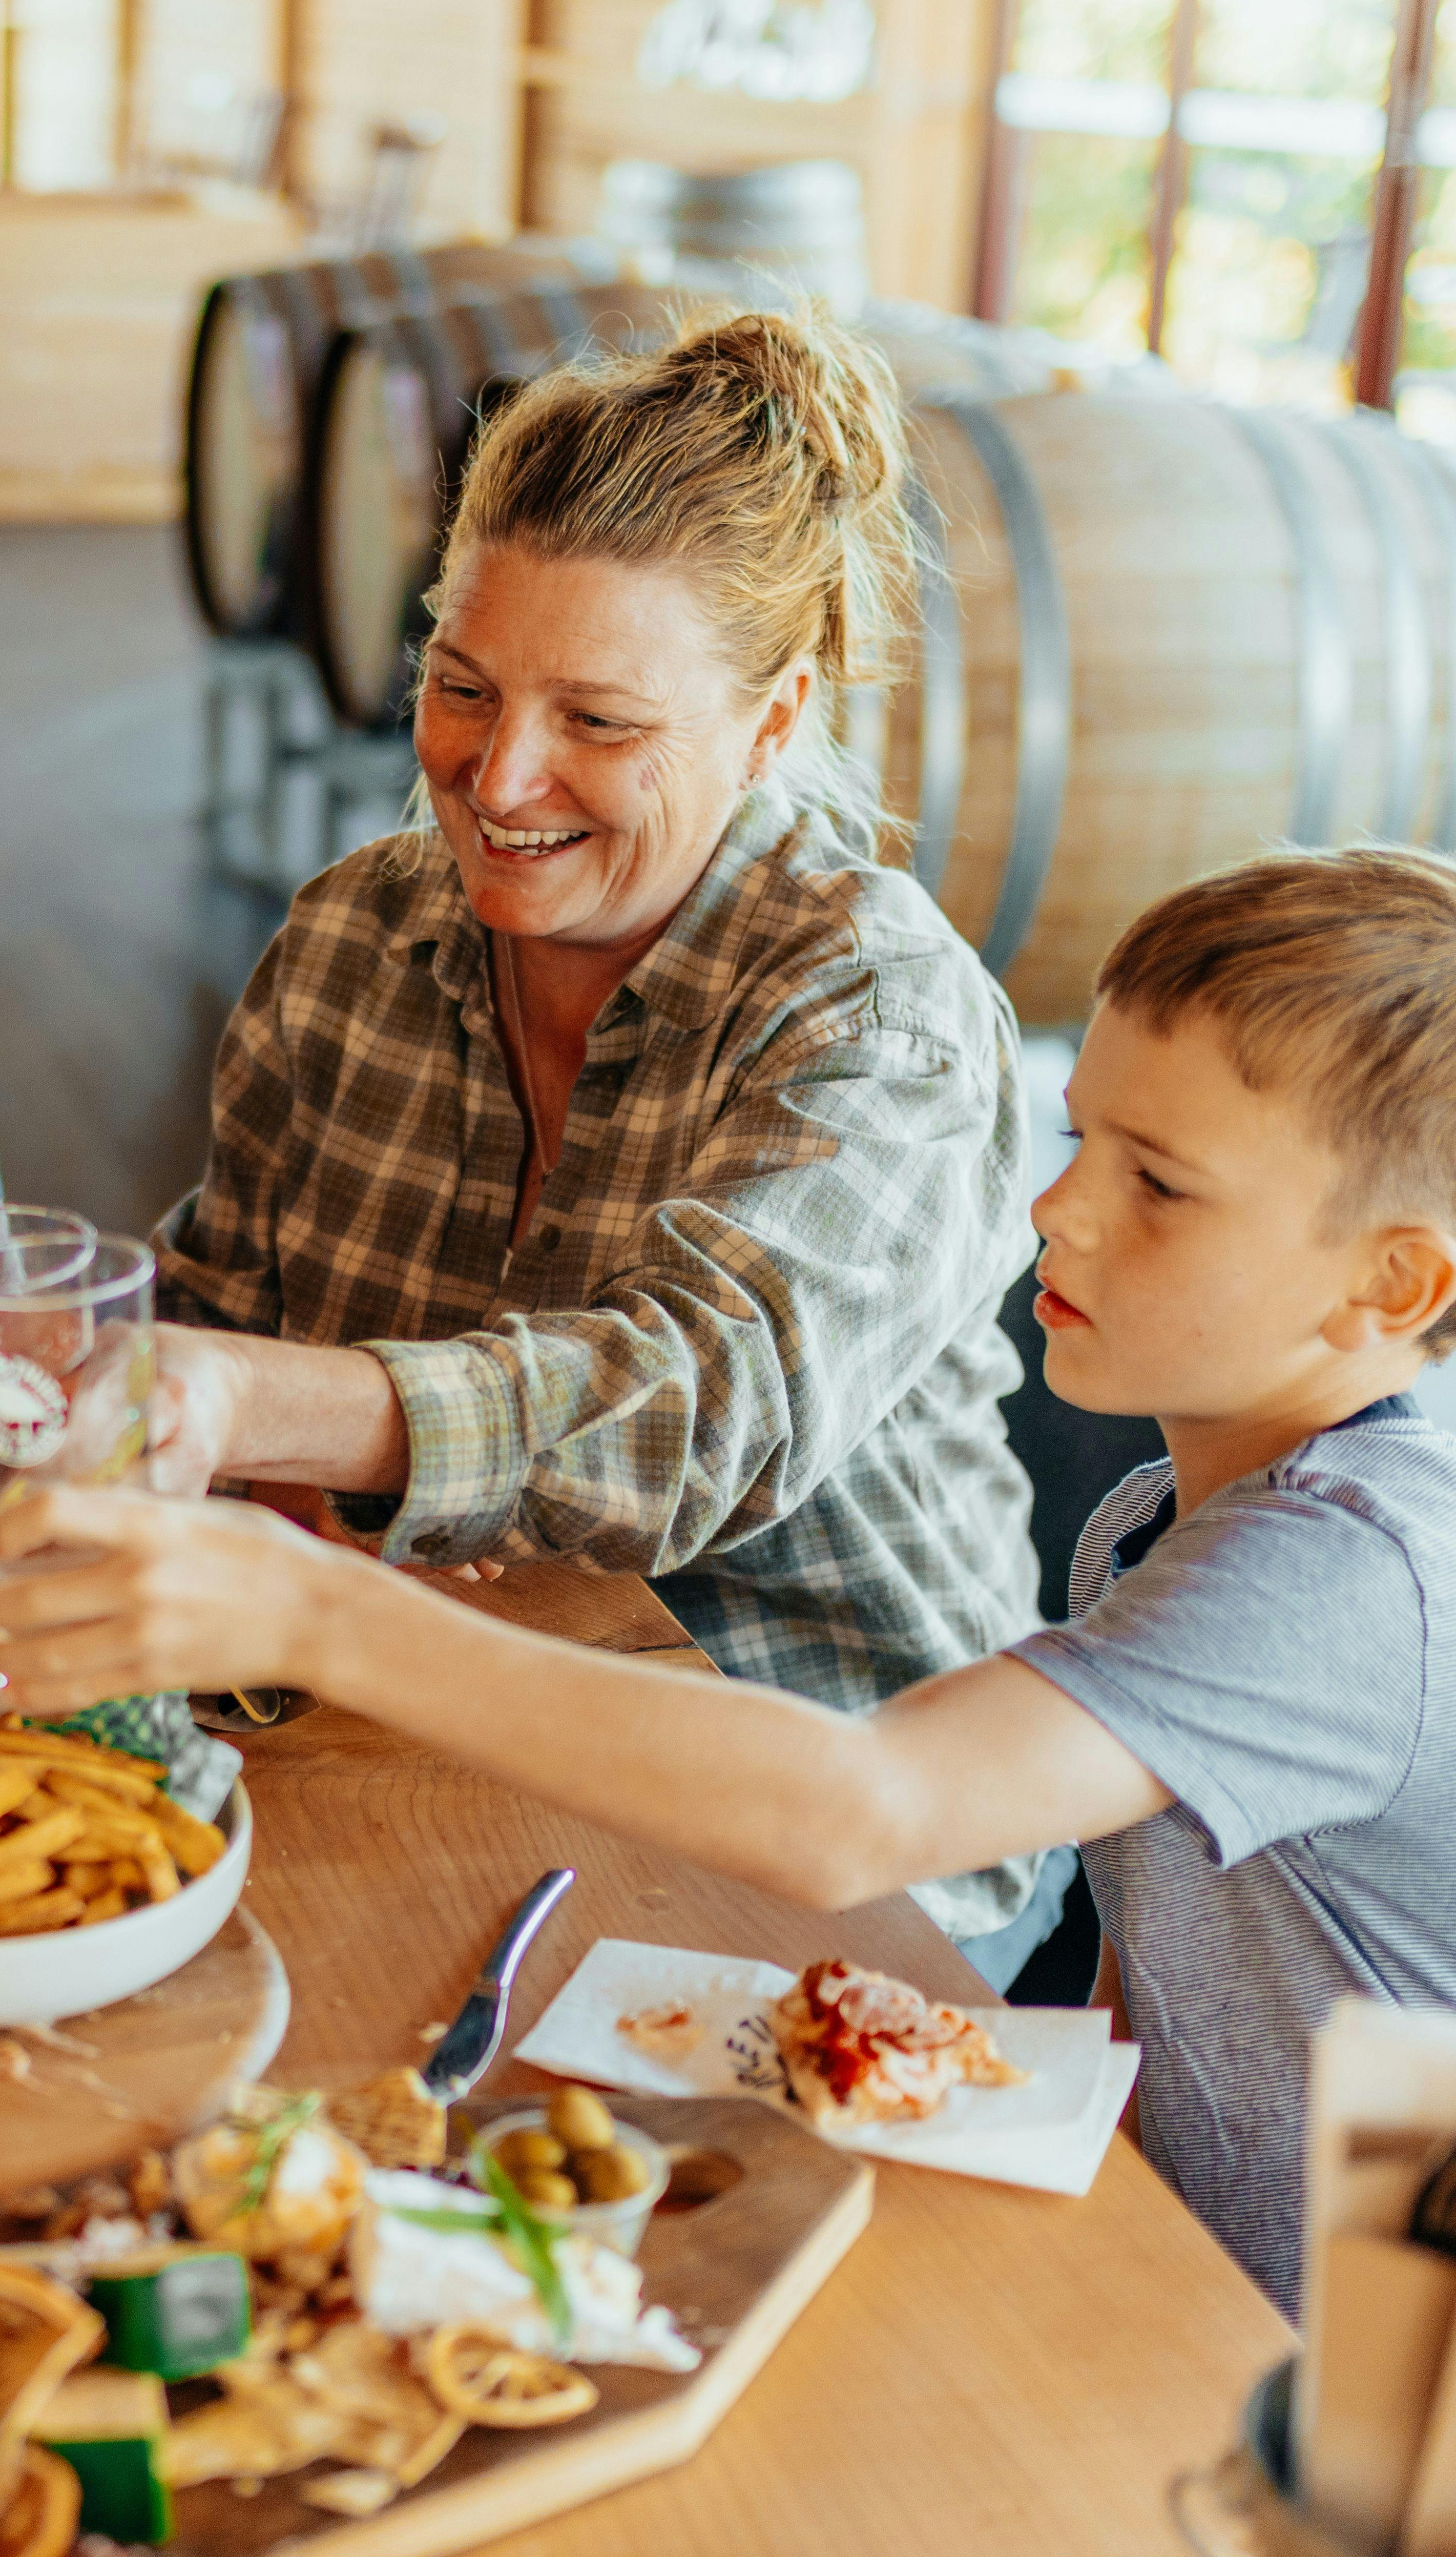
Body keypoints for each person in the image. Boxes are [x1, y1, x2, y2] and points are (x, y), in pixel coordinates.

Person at [0, 848, 1456, 2311]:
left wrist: (310, 1612)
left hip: (1405, 2428)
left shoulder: (1352, 1581)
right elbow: (1179, 1974)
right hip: (1192, 2279)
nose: (1052, 1213)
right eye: (1080, 1138)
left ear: (1392, 1283)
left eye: (1156, 1183)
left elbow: (855, 1814)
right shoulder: (1177, 1506)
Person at [143, 303, 1045, 1954]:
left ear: (772, 722)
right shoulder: (353, 935)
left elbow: (697, 1418)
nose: (499, 778)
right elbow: (210, 1313)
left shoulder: (875, 1013)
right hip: (417, 1725)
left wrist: (258, 1408)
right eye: (460, 686)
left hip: (827, 1817)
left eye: (600, 723)